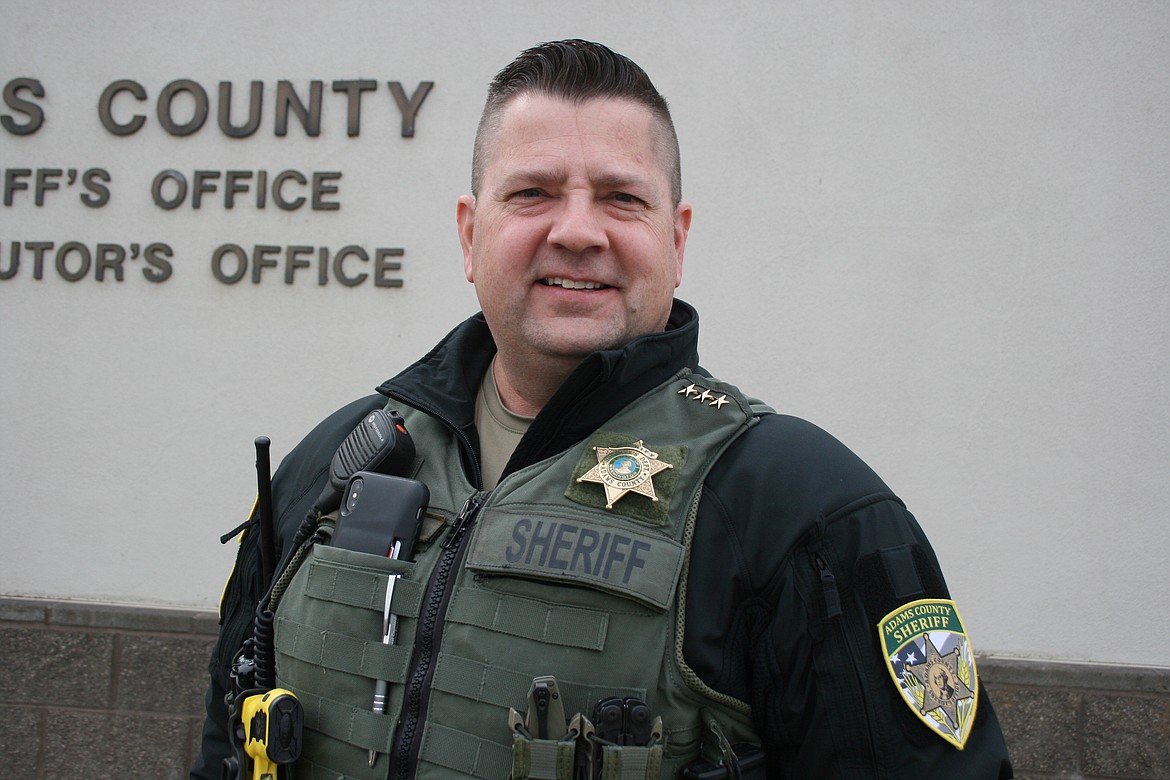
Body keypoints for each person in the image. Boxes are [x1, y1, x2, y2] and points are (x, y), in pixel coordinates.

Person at [192, 39, 1014, 779]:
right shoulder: (339, 460)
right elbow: (229, 741)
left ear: (678, 240)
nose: (578, 231)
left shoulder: (806, 510)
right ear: (469, 233)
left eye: (622, 198)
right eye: (533, 192)